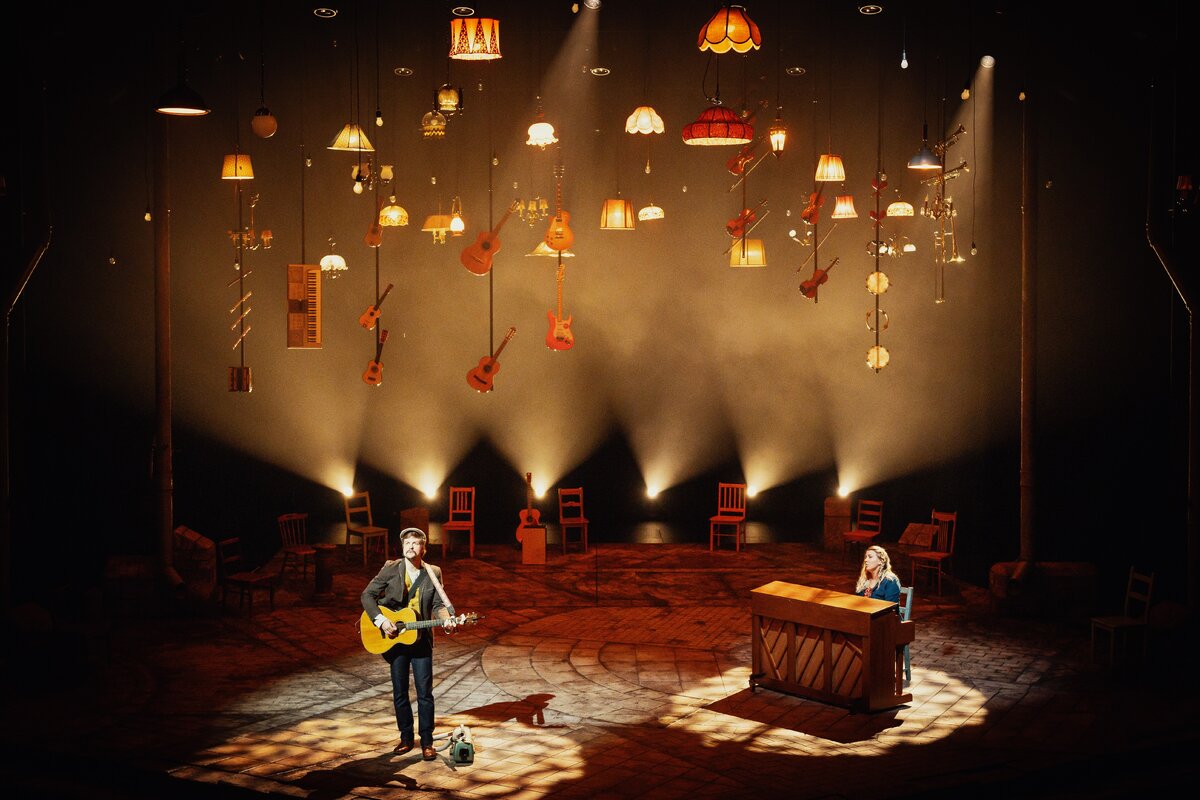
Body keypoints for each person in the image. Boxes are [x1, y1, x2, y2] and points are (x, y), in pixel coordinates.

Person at [361, 527, 457, 760]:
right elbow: (367, 596)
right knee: (400, 691)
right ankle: (406, 738)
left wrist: (446, 620)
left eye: (415, 543)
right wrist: (382, 621)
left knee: (425, 693)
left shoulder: (433, 572)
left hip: (421, 640)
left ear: (424, 548)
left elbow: (438, 604)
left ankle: (427, 741)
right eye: (406, 543)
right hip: (396, 639)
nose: (410, 546)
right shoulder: (391, 568)